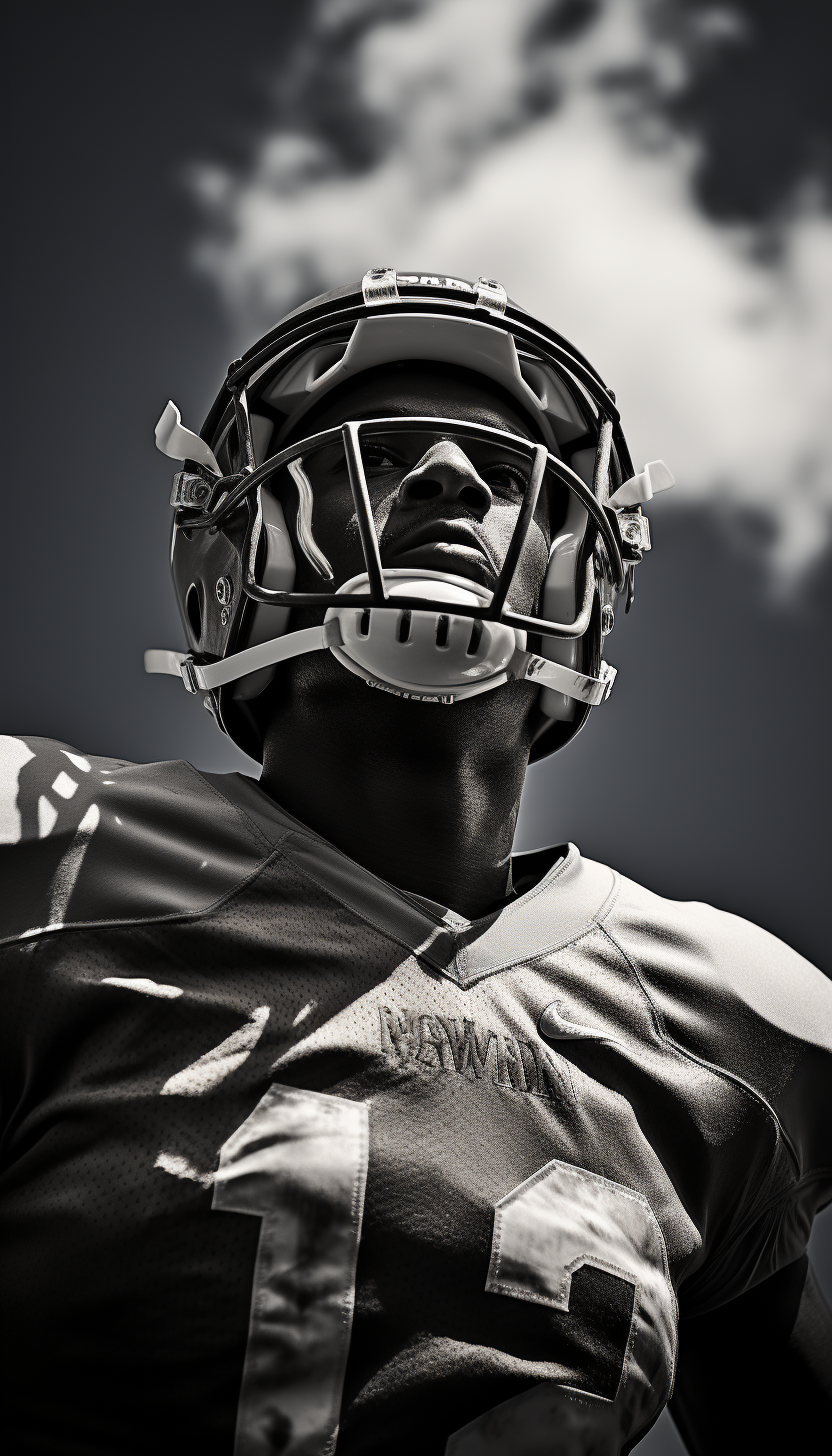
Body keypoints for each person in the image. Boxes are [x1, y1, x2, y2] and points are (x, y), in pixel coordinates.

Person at [1, 269, 829, 1456]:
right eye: (384, 457)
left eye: (501, 477)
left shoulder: (727, 1023)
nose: (448, 481)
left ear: (576, 588)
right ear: (242, 562)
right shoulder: (53, 858)